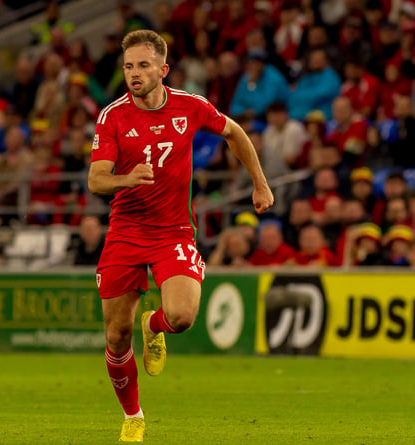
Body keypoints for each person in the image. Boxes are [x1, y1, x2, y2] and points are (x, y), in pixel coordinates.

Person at [87, 30, 273, 442]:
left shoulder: (190, 106)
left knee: (183, 318)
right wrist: (126, 178)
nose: (134, 74)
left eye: (143, 66)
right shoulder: (113, 116)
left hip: (173, 231)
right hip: (126, 231)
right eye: (128, 67)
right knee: (116, 335)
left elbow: (235, 133)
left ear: (163, 70)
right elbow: (96, 181)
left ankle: (153, 324)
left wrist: (259, 183)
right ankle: (133, 416)